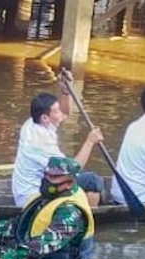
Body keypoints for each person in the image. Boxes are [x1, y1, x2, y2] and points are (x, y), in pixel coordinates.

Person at [12, 70, 104, 207]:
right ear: (45, 118)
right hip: (33, 197)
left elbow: (65, 113)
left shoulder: (32, 122)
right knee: (93, 182)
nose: (60, 114)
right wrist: (90, 142)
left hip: (34, 188)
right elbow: (73, 169)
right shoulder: (40, 141)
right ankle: (89, 219)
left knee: (90, 185)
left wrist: (66, 92)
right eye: (56, 111)